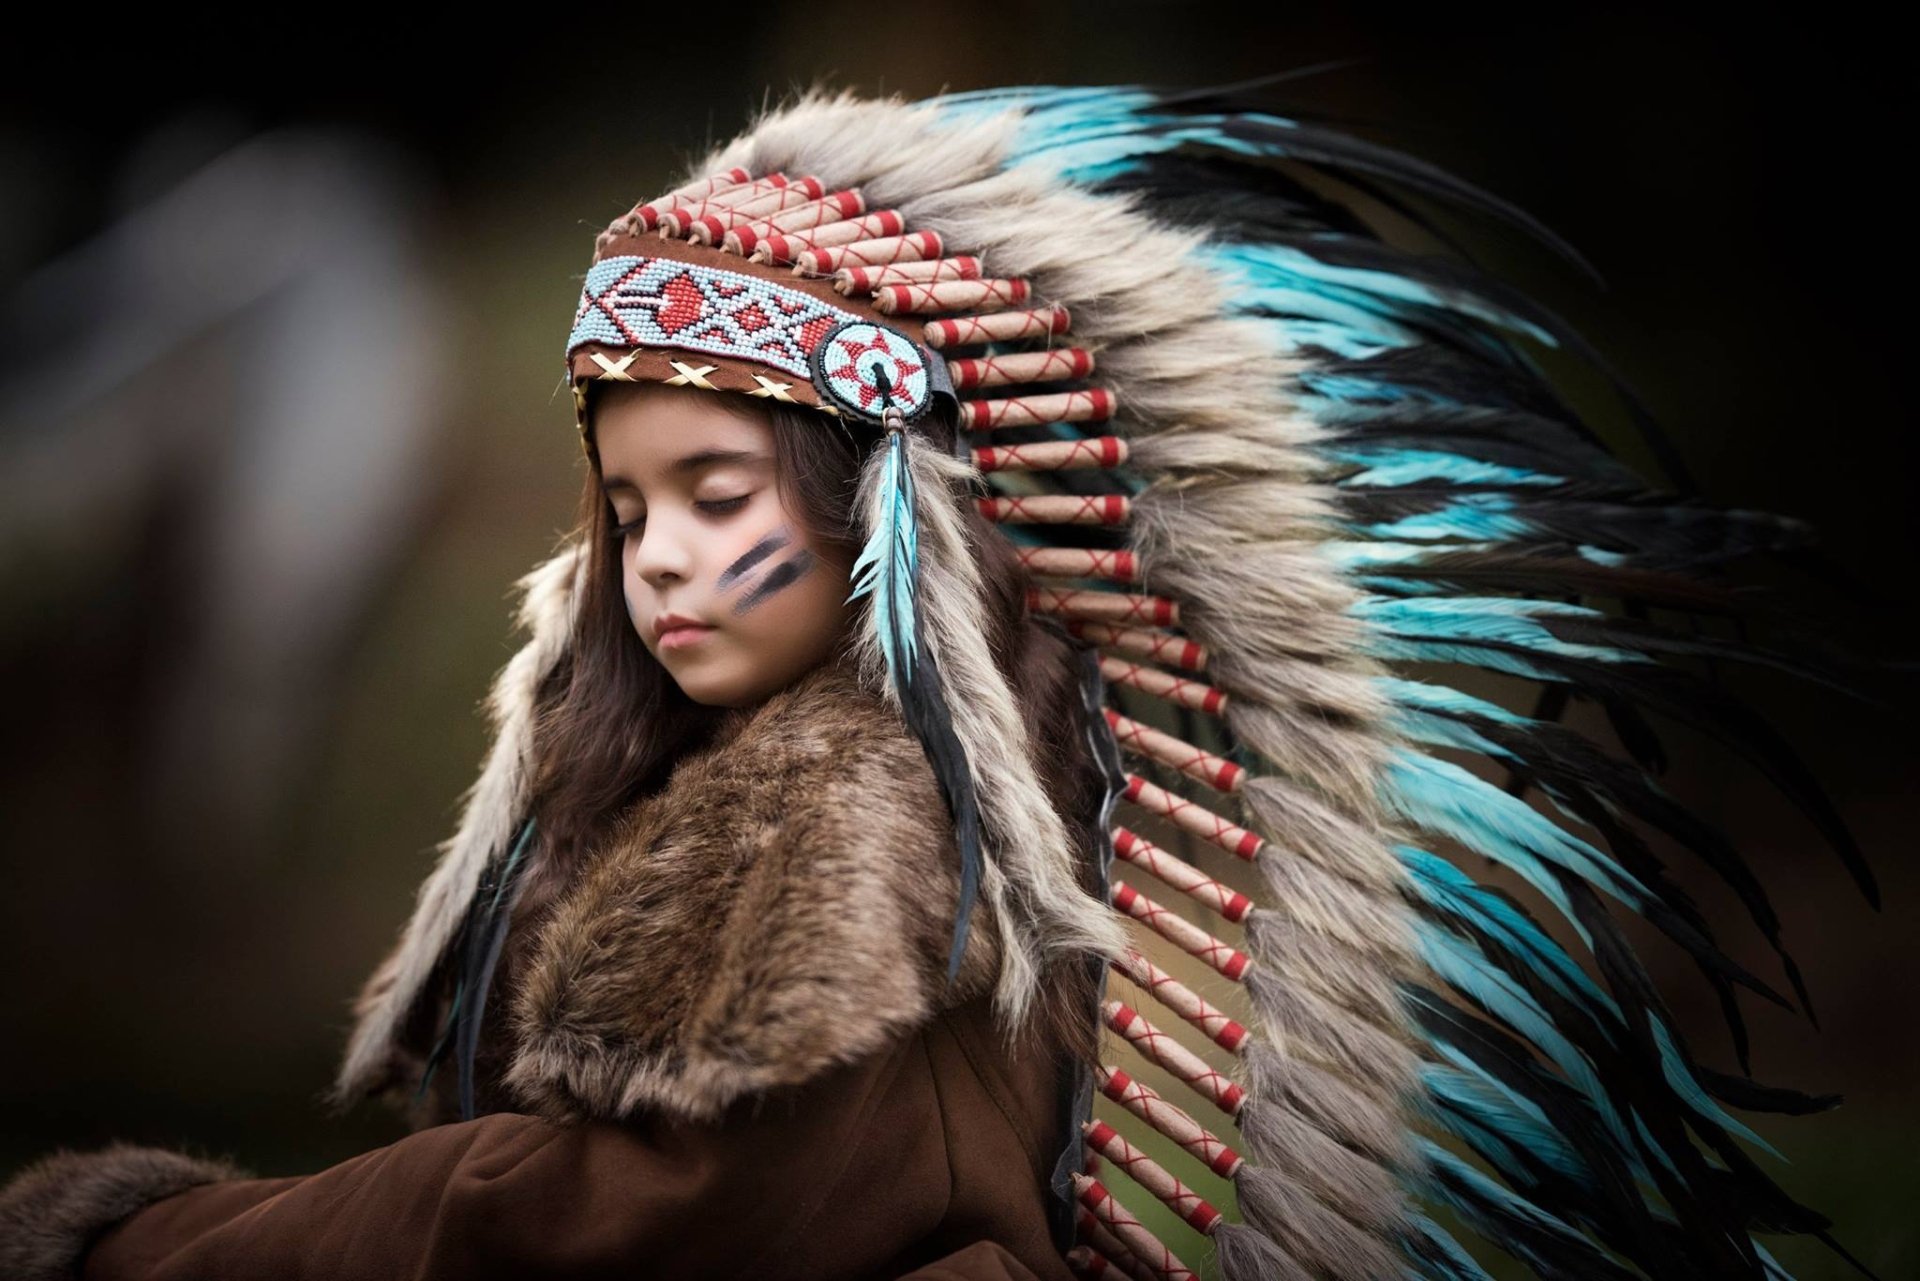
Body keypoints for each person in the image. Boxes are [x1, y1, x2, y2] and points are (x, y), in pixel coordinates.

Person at [1, 80, 1875, 1280]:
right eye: (624, 504)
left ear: (882, 517)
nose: (650, 557)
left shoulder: (866, 814)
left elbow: (627, 1218)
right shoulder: (751, 773)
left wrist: (157, 1241)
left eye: (715, 494)